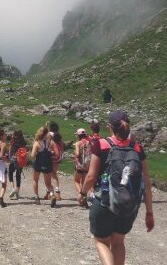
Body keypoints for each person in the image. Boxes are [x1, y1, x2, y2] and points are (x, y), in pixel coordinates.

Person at [78, 110, 154, 265]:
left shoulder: (102, 144)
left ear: (110, 127)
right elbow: (146, 182)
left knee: (101, 241)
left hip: (105, 202)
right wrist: (149, 212)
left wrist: (83, 193)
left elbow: (91, 176)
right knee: (119, 242)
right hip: (128, 205)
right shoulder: (137, 148)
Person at [32, 126, 58, 207]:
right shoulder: (51, 142)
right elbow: (57, 154)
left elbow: (33, 156)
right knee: (48, 183)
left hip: (38, 163)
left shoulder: (37, 143)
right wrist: (51, 154)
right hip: (48, 164)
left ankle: (37, 198)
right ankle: (52, 194)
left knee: (35, 180)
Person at [74, 128, 92, 207]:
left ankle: (82, 196)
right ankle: (84, 197)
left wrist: (75, 152)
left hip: (80, 164)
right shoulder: (89, 142)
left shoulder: (78, 143)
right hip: (87, 165)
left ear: (78, 135)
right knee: (84, 183)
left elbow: (77, 154)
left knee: (76, 180)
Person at [8, 130, 27, 200]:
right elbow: (25, 151)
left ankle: (12, 188)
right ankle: (17, 192)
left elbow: (10, 150)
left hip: (14, 158)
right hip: (21, 160)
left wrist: (10, 157)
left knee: (10, 173)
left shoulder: (12, 141)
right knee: (18, 175)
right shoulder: (23, 142)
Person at [47, 122, 64, 201]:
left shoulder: (49, 135)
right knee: (54, 174)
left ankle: (52, 193)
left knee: (50, 175)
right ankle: (55, 192)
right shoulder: (59, 136)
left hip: (50, 157)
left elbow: (47, 145)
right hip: (58, 158)